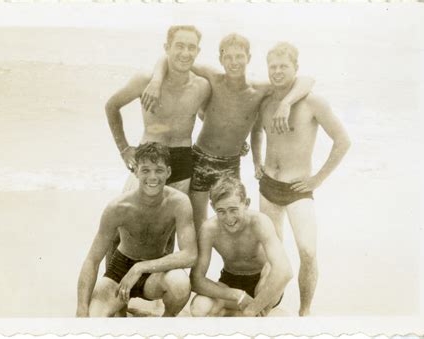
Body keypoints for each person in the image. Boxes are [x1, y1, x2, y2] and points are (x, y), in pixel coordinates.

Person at [143, 33, 314, 232]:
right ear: (220, 59)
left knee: (234, 222)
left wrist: (286, 103)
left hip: (230, 164)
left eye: (239, 56)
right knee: (200, 224)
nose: (234, 62)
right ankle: (199, 263)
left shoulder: (259, 90)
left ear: (248, 58)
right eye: (228, 57)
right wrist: (156, 81)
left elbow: (306, 80)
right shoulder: (213, 78)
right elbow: (167, 58)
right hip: (200, 160)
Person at [251, 42, 351, 316]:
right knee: (271, 254)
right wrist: (256, 161)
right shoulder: (266, 101)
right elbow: (256, 132)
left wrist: (318, 179)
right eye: (273, 67)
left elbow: (343, 141)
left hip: (298, 189)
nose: (278, 71)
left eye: (284, 66)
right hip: (268, 186)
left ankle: (304, 312)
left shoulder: (313, 102)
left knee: (307, 252)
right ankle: (268, 306)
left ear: (296, 68)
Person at [104, 25, 211, 261]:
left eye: (191, 47)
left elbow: (207, 117)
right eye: (179, 46)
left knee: (169, 228)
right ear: (166, 48)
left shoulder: (202, 86)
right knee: (123, 221)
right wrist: (124, 149)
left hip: (182, 160)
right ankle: (109, 286)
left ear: (198, 51)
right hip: (148, 155)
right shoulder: (145, 80)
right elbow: (112, 106)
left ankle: (157, 292)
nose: (185, 52)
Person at [76, 142, 197, 317]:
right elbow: (92, 260)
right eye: (146, 170)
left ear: (169, 172)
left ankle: (164, 323)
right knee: (94, 320)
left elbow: (190, 255)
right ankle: (120, 309)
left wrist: (140, 268)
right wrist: (81, 307)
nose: (153, 177)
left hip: (155, 272)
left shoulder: (179, 203)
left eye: (159, 170)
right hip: (119, 272)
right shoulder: (118, 207)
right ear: (136, 172)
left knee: (180, 284)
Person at [189, 176, 292, 317]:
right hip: (230, 281)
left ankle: (243, 314)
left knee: (268, 279)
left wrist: (253, 308)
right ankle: (241, 314)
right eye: (221, 211)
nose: (228, 218)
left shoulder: (259, 222)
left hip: (261, 281)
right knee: (199, 308)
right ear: (213, 207)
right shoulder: (209, 229)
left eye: (233, 209)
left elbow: (284, 271)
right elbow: (196, 280)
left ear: (246, 203)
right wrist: (238, 295)